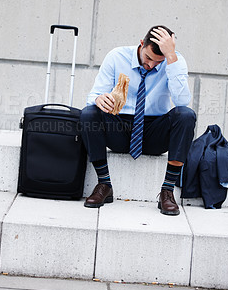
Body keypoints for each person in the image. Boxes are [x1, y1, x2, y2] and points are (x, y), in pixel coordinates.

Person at [80, 25, 196, 216]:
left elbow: (182, 102)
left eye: (157, 62)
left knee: (185, 115)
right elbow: (94, 94)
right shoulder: (117, 56)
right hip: (119, 127)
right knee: (88, 113)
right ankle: (104, 184)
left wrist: (171, 58)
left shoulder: (174, 60)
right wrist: (99, 99)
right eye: (148, 58)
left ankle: (167, 191)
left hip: (154, 131)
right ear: (142, 44)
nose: (151, 65)